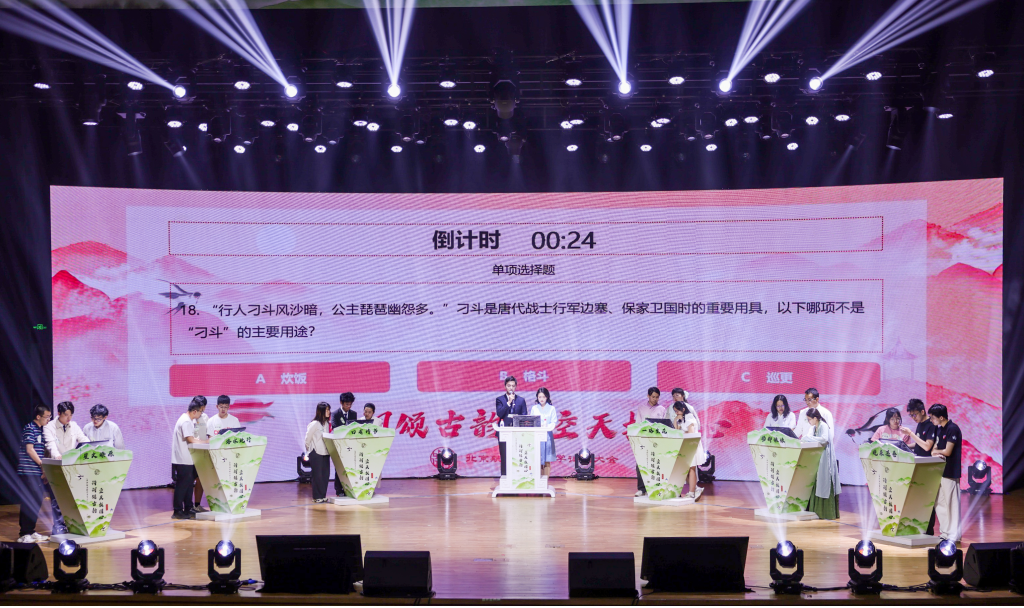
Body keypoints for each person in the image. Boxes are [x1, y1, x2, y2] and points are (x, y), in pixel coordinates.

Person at [42, 401, 90, 535]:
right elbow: (50, 444)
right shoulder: (49, 427)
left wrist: (91, 447)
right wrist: (57, 456)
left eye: (71, 415)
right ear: (59, 414)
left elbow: (83, 439)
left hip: (71, 466)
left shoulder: (74, 425)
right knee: (57, 498)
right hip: (55, 466)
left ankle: (75, 524)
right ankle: (58, 526)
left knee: (74, 497)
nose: (69, 418)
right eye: (66, 415)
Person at [16, 405, 54, 543]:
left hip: (37, 472)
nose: (48, 419)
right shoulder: (29, 428)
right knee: (28, 502)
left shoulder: (41, 430)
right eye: (47, 417)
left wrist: (43, 471)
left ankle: (31, 531)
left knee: (36, 503)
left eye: (50, 417)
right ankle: (24, 534)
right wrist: (42, 465)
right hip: (28, 472)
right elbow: (30, 449)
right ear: (38, 416)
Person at [903, 398, 938, 534]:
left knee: (928, 500)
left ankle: (928, 530)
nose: (913, 418)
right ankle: (918, 528)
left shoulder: (931, 424)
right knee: (918, 499)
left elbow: (927, 446)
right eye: (911, 415)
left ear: (922, 411)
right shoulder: (920, 424)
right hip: (917, 466)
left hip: (928, 467)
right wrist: (904, 446)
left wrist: (910, 434)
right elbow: (919, 444)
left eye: (914, 414)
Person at [801, 408, 840, 520]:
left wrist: (808, 438)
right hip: (816, 456)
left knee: (824, 481)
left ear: (815, 418)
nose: (809, 421)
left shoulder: (823, 426)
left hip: (824, 456)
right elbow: (807, 437)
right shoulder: (813, 428)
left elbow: (824, 439)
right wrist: (807, 438)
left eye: (809, 419)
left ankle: (825, 512)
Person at [930, 404, 962, 542]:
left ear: (941, 417)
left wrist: (937, 452)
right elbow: (933, 450)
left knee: (952, 504)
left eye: (933, 417)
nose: (931, 420)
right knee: (940, 502)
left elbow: (948, 451)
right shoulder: (939, 429)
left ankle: (954, 535)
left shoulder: (952, 428)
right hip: (939, 471)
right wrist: (936, 452)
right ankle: (945, 532)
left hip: (950, 471)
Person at [172, 398, 206, 520]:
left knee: (188, 485)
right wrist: (205, 442)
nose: (201, 414)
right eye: (200, 412)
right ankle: (177, 510)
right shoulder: (186, 421)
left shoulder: (187, 420)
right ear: (194, 411)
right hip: (183, 459)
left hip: (187, 459)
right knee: (182, 486)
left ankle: (188, 508)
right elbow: (190, 439)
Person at [671, 389, 706, 501]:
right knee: (686, 469)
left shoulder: (690, 418)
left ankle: (691, 492)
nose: (677, 413)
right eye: (675, 411)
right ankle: (691, 490)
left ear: (683, 409)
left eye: (678, 411)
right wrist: (676, 420)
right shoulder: (682, 418)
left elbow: (691, 434)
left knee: (691, 469)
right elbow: (676, 431)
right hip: (685, 445)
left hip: (692, 445)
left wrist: (682, 431)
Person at [635, 386, 667, 497]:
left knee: (656, 465)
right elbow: (638, 424)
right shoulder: (641, 408)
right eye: (653, 397)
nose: (655, 399)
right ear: (648, 396)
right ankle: (641, 489)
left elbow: (665, 426)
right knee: (640, 464)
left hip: (657, 441)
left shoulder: (662, 409)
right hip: (644, 440)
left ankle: (654, 489)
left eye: (657, 397)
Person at [495, 376, 527, 476]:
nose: (511, 388)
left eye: (513, 386)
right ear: (505, 386)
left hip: (517, 433)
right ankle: (505, 478)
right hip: (504, 431)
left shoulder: (521, 400)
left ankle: (517, 478)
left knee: (517, 456)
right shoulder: (500, 400)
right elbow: (500, 414)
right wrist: (508, 402)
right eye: (509, 386)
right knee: (505, 456)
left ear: (516, 387)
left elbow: (524, 416)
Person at [305, 402, 332, 503]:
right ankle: (317, 497)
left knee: (325, 474)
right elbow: (307, 438)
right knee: (317, 475)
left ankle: (323, 495)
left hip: (326, 452)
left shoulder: (327, 424)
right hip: (316, 452)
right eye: (327, 410)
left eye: (329, 409)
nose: (329, 412)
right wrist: (309, 449)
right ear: (321, 411)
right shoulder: (315, 424)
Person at [332, 392, 358, 495]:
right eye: (347, 404)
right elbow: (335, 428)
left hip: (350, 444)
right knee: (339, 468)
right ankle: (339, 490)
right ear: (341, 403)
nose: (349, 406)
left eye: (350, 404)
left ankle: (349, 488)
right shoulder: (335, 414)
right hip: (339, 444)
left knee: (350, 467)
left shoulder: (353, 414)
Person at [531, 388, 558, 477]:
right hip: (537, 436)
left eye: (543, 397)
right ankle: (539, 481)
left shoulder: (551, 408)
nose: (541, 399)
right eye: (539, 397)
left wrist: (546, 426)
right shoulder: (534, 408)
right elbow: (531, 421)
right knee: (537, 460)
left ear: (547, 397)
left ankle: (545, 481)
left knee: (547, 460)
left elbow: (554, 422)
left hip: (547, 436)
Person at [192, 395, 209, 512]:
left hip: (202, 452)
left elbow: (209, 433)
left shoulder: (205, 417)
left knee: (200, 479)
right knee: (189, 480)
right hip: (190, 452)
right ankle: (187, 506)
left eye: (203, 407)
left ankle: (197, 505)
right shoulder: (189, 417)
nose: (202, 409)